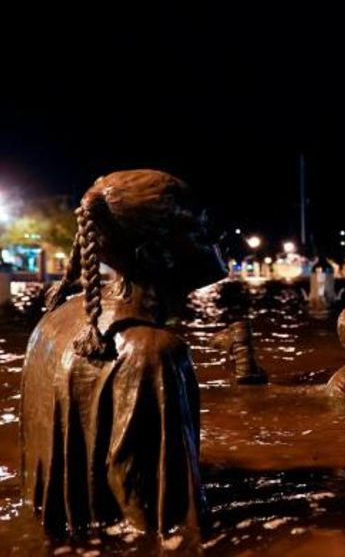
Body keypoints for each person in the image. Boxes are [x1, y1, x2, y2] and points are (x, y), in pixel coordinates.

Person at [21, 169, 226, 535]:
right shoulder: (152, 352)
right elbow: (166, 523)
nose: (215, 236)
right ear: (154, 255)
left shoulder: (53, 322)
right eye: (199, 228)